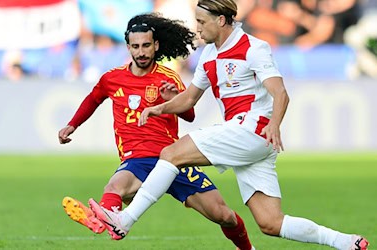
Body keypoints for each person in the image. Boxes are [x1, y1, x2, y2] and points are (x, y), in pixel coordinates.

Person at [88, 1, 370, 250]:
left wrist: (274, 124)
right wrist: (159, 108)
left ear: (220, 20)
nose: (197, 28)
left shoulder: (253, 48)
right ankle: (343, 241)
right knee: (270, 223)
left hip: (252, 129)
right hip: (248, 139)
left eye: (201, 22)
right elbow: (189, 98)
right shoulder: (209, 55)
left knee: (171, 154)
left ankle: (125, 219)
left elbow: (280, 92)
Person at [58, 13, 255, 250]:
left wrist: (173, 99)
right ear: (128, 47)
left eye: (146, 46)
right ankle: (104, 218)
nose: (141, 52)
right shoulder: (112, 78)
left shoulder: (167, 77)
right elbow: (93, 99)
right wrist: (72, 124)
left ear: (156, 45)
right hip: (137, 159)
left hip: (174, 158)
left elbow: (190, 115)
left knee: (223, 214)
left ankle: (247, 249)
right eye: (136, 46)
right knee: (114, 187)